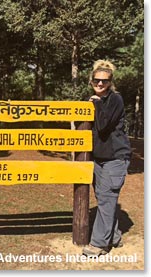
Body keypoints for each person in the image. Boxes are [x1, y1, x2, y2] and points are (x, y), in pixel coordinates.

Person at [82, 60, 132, 256]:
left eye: (105, 81)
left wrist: (95, 103)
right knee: (105, 199)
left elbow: (103, 125)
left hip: (115, 159)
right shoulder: (96, 100)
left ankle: (99, 244)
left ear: (110, 82)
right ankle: (114, 237)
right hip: (99, 159)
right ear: (91, 80)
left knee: (106, 199)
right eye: (97, 80)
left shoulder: (114, 100)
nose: (100, 84)